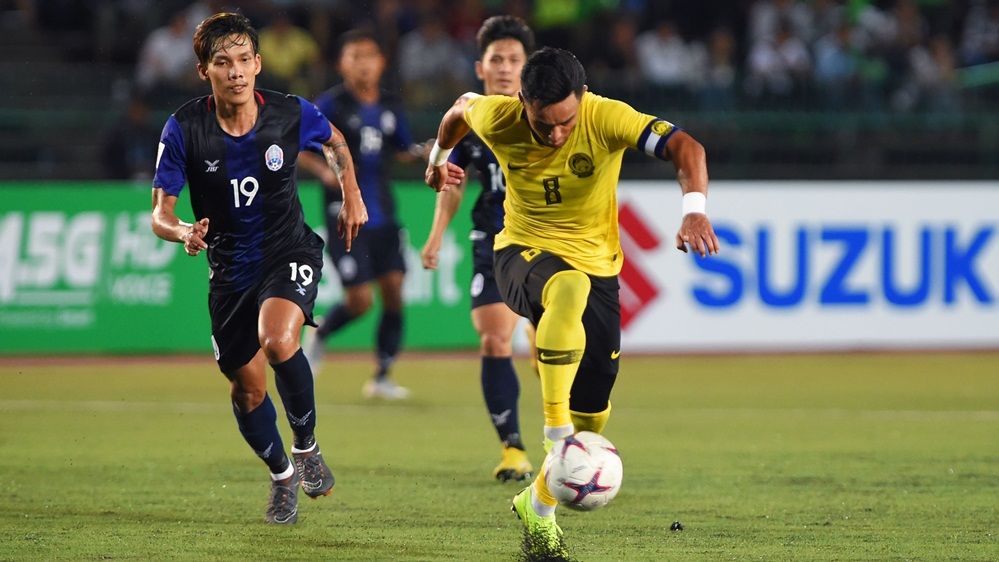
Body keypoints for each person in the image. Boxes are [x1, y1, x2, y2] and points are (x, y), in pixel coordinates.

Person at [424, 47, 719, 557]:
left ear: (581, 100)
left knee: (595, 415)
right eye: (543, 124)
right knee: (567, 288)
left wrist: (695, 209)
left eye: (564, 123)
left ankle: (537, 506)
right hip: (519, 252)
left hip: (600, 266)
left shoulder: (606, 116)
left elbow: (686, 146)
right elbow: (457, 110)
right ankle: (554, 435)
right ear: (523, 102)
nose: (555, 134)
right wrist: (437, 161)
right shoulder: (498, 115)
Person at [150, 12, 367, 525]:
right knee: (246, 389)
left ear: (259, 64)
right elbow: (160, 213)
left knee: (278, 340)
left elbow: (335, 141)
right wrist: (183, 231)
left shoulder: (289, 113)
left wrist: (353, 196)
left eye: (245, 60)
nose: (236, 72)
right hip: (229, 271)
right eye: (223, 62)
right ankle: (281, 477)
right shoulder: (184, 127)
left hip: (287, 249)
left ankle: (307, 447)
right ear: (205, 71)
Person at [420, 15, 535, 483]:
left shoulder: (550, 113)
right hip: (493, 237)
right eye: (497, 59)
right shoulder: (470, 118)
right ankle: (513, 449)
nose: (505, 68)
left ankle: (568, 439)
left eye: (514, 60)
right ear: (480, 67)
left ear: (528, 67)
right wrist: (435, 235)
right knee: (493, 337)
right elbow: (452, 181)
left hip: (548, 239)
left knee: (554, 346)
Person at [301, 29, 423, 400]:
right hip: (345, 214)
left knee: (394, 290)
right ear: (342, 63)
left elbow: (401, 148)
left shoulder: (389, 104)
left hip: (383, 212)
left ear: (381, 62)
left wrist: (427, 152)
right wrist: (324, 172)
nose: (363, 63)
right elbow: (300, 145)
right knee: (360, 301)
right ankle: (319, 334)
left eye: (369, 55)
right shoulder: (331, 104)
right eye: (354, 56)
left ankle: (383, 375)